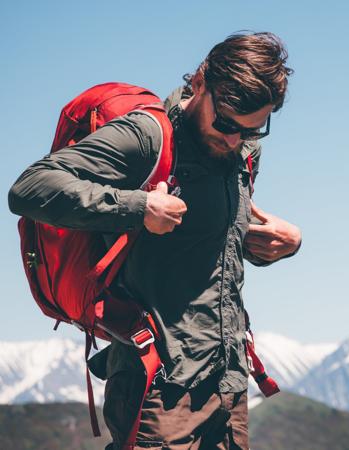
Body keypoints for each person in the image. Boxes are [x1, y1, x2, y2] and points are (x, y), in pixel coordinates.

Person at [8, 32, 301, 450]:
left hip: (229, 383)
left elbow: (209, 250)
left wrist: (282, 245)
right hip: (160, 387)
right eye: (226, 124)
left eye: (253, 129)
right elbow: (30, 189)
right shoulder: (147, 137)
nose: (235, 138)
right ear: (200, 82)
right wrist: (138, 208)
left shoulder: (242, 153)